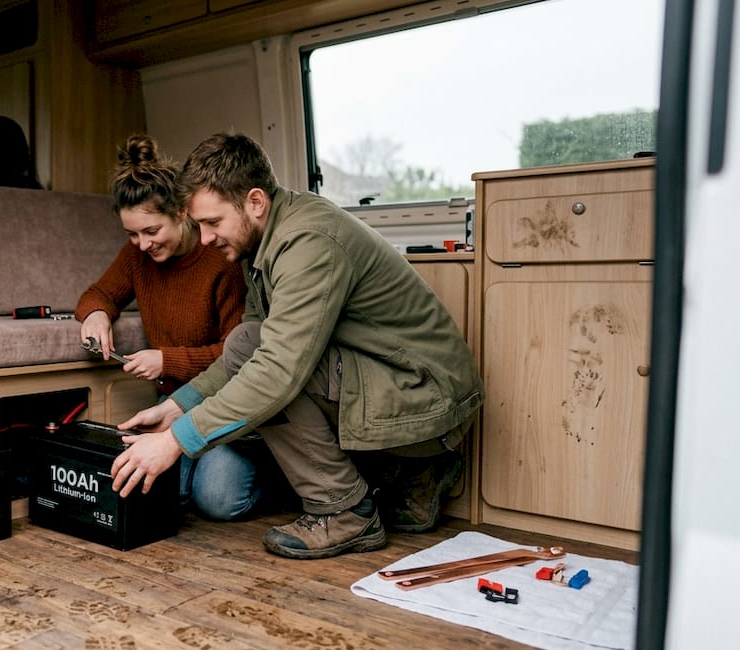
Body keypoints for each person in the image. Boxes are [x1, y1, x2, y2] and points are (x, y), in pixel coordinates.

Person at [108, 132, 483, 559]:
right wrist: (177, 406)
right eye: (199, 226)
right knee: (249, 340)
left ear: (254, 202)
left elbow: (276, 371)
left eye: (213, 223)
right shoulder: (262, 244)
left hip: (427, 396)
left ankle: (344, 513)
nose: (206, 238)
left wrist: (176, 440)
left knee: (273, 373)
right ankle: (414, 472)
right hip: (409, 389)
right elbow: (245, 346)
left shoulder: (308, 241)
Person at [77, 135, 271, 521]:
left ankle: (276, 470)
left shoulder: (222, 260)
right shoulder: (137, 255)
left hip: (221, 403)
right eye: (132, 234)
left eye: (152, 231)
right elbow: (99, 293)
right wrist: (96, 314)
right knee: (168, 493)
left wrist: (167, 361)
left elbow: (237, 356)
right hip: (170, 406)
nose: (142, 243)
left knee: (218, 501)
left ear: (182, 213)